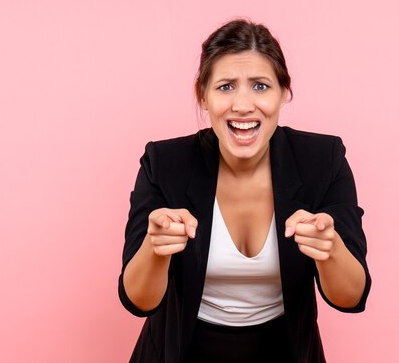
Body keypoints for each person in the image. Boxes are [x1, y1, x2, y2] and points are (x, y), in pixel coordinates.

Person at [118, 19, 371, 363]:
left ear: (284, 92)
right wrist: (155, 249)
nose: (242, 104)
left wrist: (331, 251)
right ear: (202, 96)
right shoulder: (164, 163)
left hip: (284, 352)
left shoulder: (322, 161)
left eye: (260, 86)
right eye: (225, 87)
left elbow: (351, 297)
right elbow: (137, 300)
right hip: (178, 352)